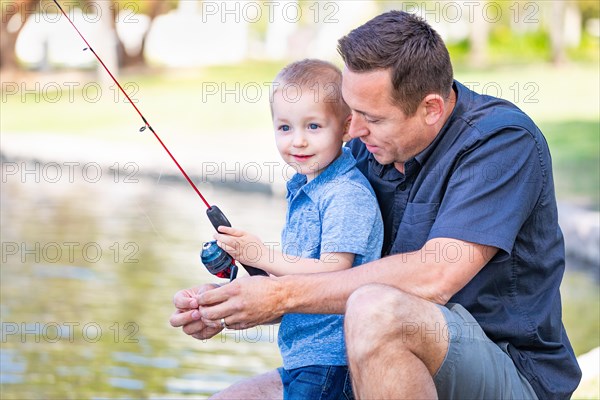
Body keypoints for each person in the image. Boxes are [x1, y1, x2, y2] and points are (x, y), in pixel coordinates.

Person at [171, 11, 582, 400]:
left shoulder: (501, 143)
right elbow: (328, 280)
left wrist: (280, 295)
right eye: (351, 112)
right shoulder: (366, 152)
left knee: (375, 309)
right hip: (368, 354)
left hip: (508, 369)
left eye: (373, 118)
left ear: (431, 109)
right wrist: (236, 300)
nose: (353, 130)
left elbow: (434, 276)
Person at [212, 59, 383, 399]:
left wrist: (264, 254)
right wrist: (231, 293)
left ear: (346, 127)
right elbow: (295, 278)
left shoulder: (345, 193)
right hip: (302, 357)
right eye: (285, 128)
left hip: (332, 359)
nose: (298, 141)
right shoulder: (304, 188)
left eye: (314, 126)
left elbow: (335, 271)